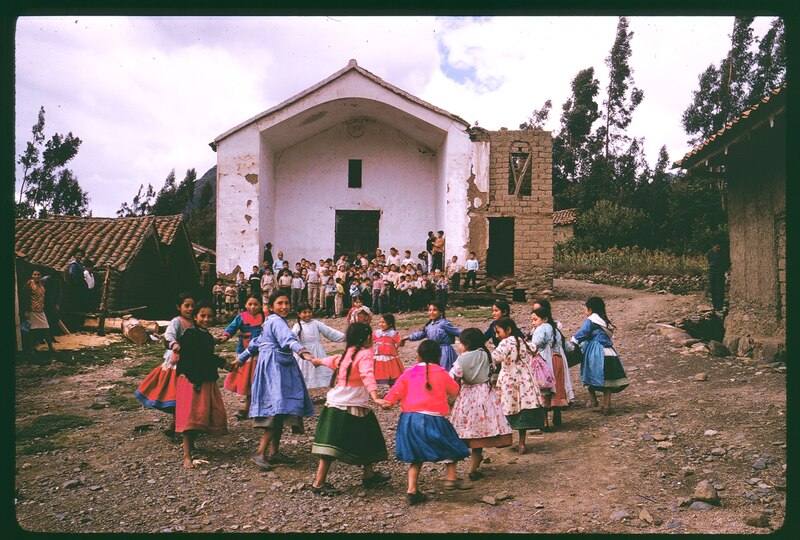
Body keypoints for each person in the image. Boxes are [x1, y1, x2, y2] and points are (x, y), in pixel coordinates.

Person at [300, 323, 391, 495]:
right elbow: (367, 375)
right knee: (343, 442)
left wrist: (318, 361)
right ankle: (319, 483)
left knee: (365, 436)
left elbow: (334, 361)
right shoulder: (365, 353)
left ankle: (369, 474)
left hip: (338, 402)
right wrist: (376, 397)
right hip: (351, 403)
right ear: (366, 338)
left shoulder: (349, 352)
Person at [381, 340, 472, 505]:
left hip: (409, 420)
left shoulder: (409, 372)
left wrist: (388, 401)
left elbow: (396, 390)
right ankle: (451, 478)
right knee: (450, 444)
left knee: (416, 455)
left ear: (417, 356)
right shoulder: (441, 372)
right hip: (433, 418)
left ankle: (412, 490)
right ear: (439, 356)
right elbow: (454, 391)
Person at [238, 291, 316, 470]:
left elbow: (255, 344)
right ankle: (260, 452)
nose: (284, 306)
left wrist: (240, 359)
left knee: (280, 412)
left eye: (287, 303)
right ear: (271, 307)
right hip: (276, 371)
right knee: (275, 411)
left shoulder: (268, 323)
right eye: (280, 303)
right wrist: (302, 351)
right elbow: (287, 339)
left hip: (275, 370)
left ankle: (274, 452)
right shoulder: (276, 322)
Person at [175, 302, 237, 468]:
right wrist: (194, 380)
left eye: (209, 316)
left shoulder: (206, 336)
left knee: (199, 414)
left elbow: (206, 357)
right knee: (190, 417)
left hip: (204, 379)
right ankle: (186, 457)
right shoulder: (190, 335)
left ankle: (192, 446)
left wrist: (224, 364)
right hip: (192, 380)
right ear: (195, 317)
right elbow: (189, 359)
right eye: (203, 316)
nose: (206, 319)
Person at [448, 328, 513, 480]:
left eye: (461, 343)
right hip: (485, 396)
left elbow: (453, 377)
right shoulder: (487, 354)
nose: (459, 346)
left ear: (467, 344)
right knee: (480, 436)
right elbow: (494, 368)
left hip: (467, 397)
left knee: (462, 432)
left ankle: (453, 472)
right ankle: (472, 469)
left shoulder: (462, 359)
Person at [135, 292, 196, 437]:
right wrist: (174, 344)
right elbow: (169, 335)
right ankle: (175, 423)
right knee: (177, 393)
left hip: (192, 361)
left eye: (192, 306)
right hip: (177, 362)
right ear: (178, 307)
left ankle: (183, 423)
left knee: (189, 394)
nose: (190, 309)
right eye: (186, 306)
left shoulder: (194, 322)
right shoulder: (176, 322)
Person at [491, 317, 546, 454]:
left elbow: (495, 357)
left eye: (498, 332)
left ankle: (504, 440)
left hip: (509, 379)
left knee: (507, 407)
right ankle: (522, 443)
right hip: (525, 379)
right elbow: (534, 347)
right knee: (522, 409)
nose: (497, 336)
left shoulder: (505, 343)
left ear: (508, 330)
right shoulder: (521, 341)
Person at [571, 297, 628, 415]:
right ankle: (606, 406)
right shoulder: (605, 321)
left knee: (590, 373)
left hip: (595, 352)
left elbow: (583, 333)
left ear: (590, 309)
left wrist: (573, 341)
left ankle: (593, 401)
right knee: (607, 379)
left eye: (586, 309)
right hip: (609, 352)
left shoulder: (591, 320)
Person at [218, 294, 265, 420]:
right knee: (249, 381)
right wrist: (225, 336)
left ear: (260, 305)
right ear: (245, 305)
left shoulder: (265, 317)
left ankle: (257, 409)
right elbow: (232, 328)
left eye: (256, 304)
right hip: (246, 355)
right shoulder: (241, 317)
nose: (253, 307)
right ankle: (248, 408)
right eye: (250, 304)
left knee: (259, 381)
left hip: (261, 354)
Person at [530, 299, 574, 427]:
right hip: (559, 361)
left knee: (543, 387)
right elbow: (567, 347)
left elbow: (535, 345)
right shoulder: (556, 330)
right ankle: (557, 412)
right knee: (558, 386)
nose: (533, 323)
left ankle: (544, 422)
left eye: (535, 319)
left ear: (544, 319)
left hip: (545, 361)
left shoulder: (541, 329)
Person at [290, 303, 345, 391]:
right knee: (305, 375)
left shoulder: (316, 323)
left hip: (317, 353)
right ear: (299, 314)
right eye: (304, 312)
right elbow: (291, 337)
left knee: (321, 374)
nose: (307, 314)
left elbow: (330, 332)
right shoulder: (297, 326)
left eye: (309, 312)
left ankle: (321, 393)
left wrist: (346, 336)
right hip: (305, 355)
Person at [403, 302, 462, 372]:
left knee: (444, 371)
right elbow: (421, 334)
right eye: (430, 310)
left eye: (435, 310)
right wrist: (408, 337)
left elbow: (459, 332)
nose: (432, 312)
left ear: (441, 312)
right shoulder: (429, 326)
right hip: (433, 351)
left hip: (444, 352)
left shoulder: (444, 324)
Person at [20, 270, 56, 359]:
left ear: (40, 276)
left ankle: (50, 347)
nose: (36, 276)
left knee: (46, 328)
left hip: (40, 310)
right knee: (32, 330)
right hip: (32, 310)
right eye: (34, 274)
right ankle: (31, 349)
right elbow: (24, 298)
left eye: (38, 274)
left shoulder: (42, 285)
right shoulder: (28, 285)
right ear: (32, 276)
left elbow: (45, 297)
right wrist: (25, 310)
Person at [372, 313, 405, 386]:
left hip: (390, 358)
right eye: (380, 322)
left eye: (383, 322)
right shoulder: (377, 333)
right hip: (379, 357)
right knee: (377, 373)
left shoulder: (393, 334)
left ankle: (393, 390)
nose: (381, 324)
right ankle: (373, 392)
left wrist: (403, 341)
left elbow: (400, 344)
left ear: (390, 324)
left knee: (392, 374)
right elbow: (369, 341)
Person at [707, 241, 729, 312]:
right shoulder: (710, 252)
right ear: (713, 246)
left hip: (720, 272)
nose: (718, 248)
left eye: (719, 247)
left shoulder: (723, 253)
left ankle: (720, 306)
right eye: (717, 247)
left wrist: (723, 269)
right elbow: (709, 261)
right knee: (713, 288)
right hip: (712, 271)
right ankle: (715, 305)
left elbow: (727, 262)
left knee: (720, 289)